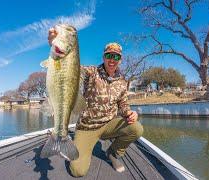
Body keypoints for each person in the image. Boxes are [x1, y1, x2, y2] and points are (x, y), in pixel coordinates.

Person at [48, 28, 143, 177]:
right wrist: (56, 46)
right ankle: (79, 146)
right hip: (87, 127)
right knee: (77, 171)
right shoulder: (91, 72)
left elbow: (123, 105)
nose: (112, 60)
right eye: (109, 55)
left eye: (116, 57)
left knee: (136, 129)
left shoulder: (123, 82)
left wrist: (130, 113)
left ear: (120, 59)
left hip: (108, 125)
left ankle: (112, 154)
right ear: (104, 57)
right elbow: (71, 67)